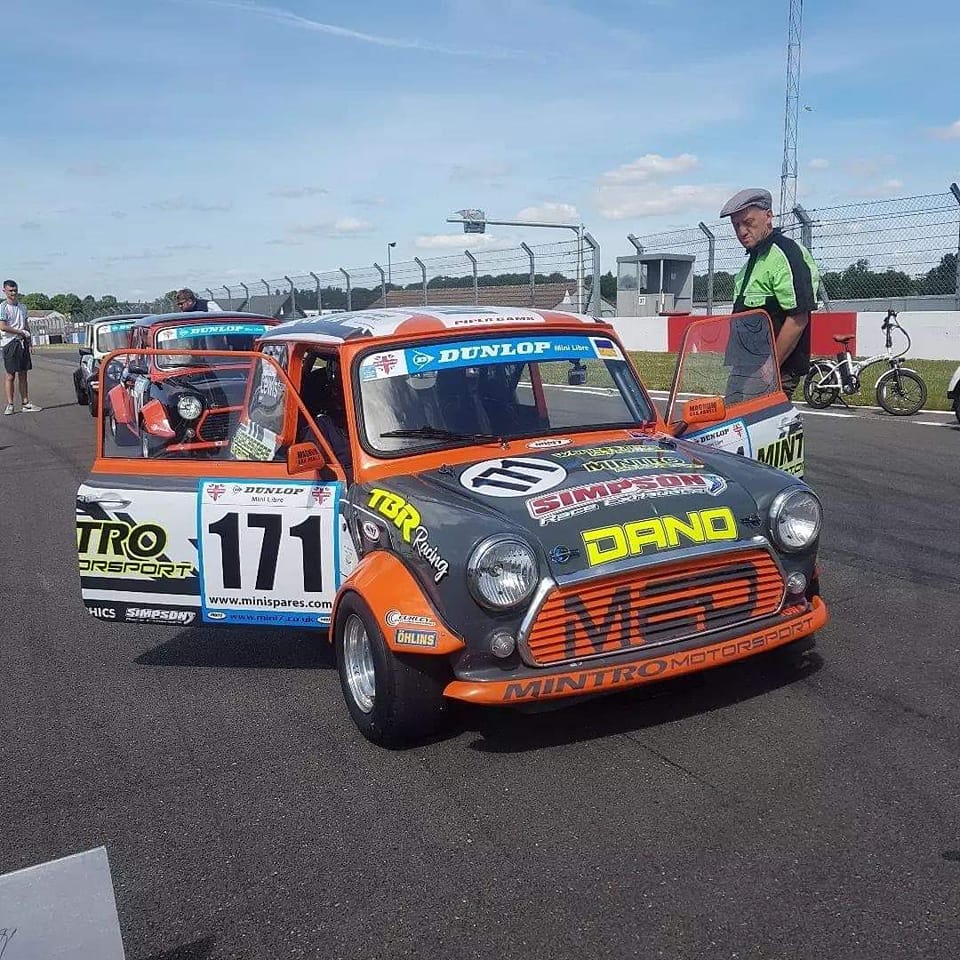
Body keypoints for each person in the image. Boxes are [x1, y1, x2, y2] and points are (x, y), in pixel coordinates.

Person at [720, 188, 821, 399]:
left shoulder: (786, 254)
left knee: (758, 428)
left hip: (774, 370)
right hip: (745, 367)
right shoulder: (753, 261)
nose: (741, 232)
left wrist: (769, 370)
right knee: (731, 423)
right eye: (736, 225)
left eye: (748, 222)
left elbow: (798, 318)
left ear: (768, 216)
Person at [0, 280, 41, 415]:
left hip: (22, 342)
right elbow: (3, 326)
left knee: (23, 374)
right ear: (4, 291)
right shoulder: (3, 307)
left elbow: (26, 325)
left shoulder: (22, 307)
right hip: (9, 342)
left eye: (15, 290)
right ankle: (10, 404)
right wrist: (20, 332)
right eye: (10, 291)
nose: (13, 293)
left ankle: (25, 402)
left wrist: (29, 342)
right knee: (10, 375)